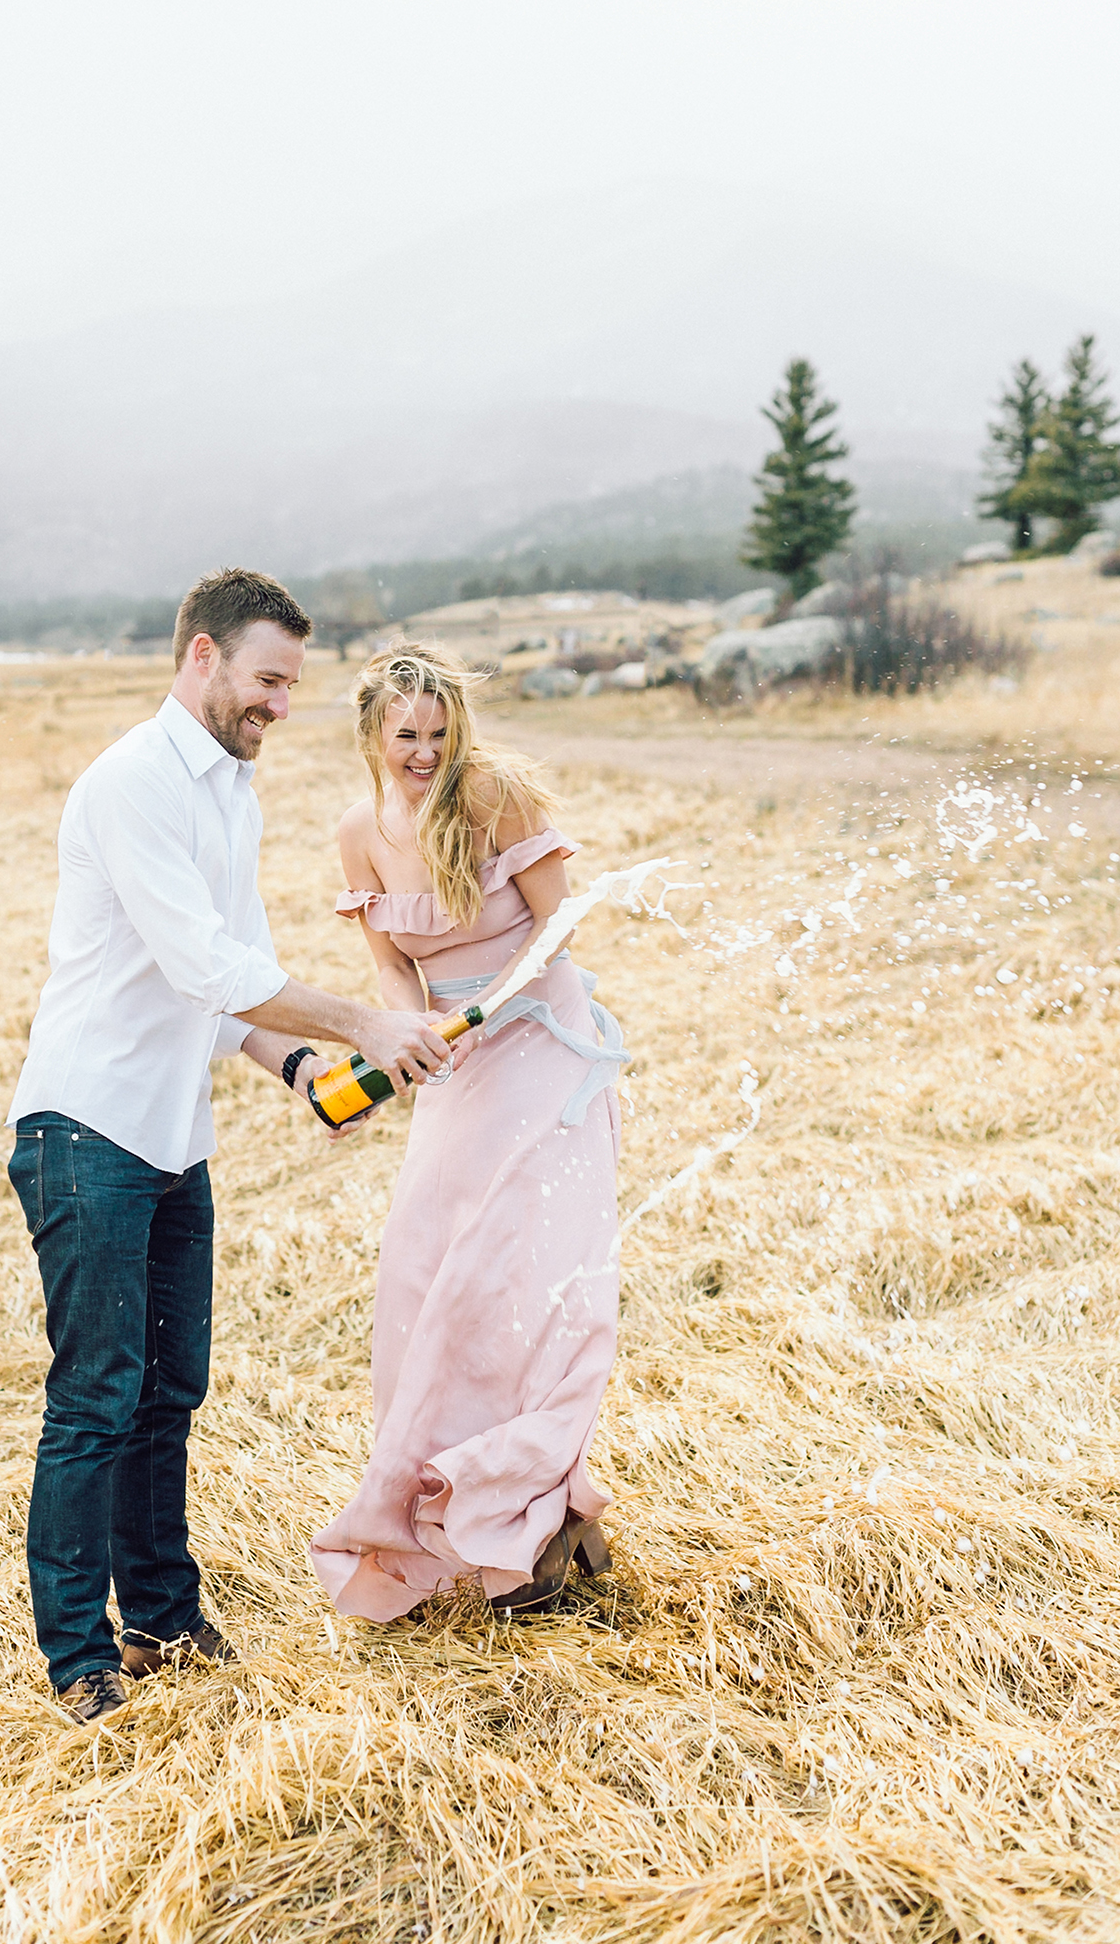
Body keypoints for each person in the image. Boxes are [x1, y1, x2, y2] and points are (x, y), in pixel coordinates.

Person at [6, 570, 450, 1726]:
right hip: (84, 1128)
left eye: (293, 686)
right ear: (201, 659)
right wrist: (362, 1021)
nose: (282, 706)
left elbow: (227, 978)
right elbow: (209, 968)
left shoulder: (233, 793)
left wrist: (305, 1067)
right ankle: (77, 1661)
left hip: (169, 1137)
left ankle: (160, 1617)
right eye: (267, 680)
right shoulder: (132, 785)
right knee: (98, 1397)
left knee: (170, 1392)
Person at [310, 644, 625, 1621]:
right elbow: (392, 968)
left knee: (518, 1284)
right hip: (450, 1064)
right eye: (406, 735)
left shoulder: (496, 796)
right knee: (420, 1274)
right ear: (373, 733)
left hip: (538, 1043)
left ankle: (525, 1532)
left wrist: (487, 1007)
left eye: (440, 734)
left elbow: (560, 928)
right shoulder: (359, 832)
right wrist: (410, 1033)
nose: (424, 753)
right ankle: (474, 1507)